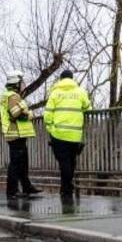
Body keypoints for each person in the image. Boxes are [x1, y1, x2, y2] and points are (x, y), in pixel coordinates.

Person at [44, 70, 91, 198]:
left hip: (59, 133)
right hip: (75, 134)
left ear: (61, 79)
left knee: (64, 162)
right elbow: (88, 107)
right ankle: (67, 187)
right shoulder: (80, 92)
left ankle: (66, 189)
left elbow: (47, 114)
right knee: (71, 161)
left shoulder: (55, 93)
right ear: (72, 78)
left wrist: (50, 128)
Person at [0, 71, 40, 198]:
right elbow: (15, 114)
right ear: (15, 83)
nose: (23, 85)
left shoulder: (10, 95)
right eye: (21, 82)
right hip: (15, 133)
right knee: (16, 163)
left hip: (16, 134)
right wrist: (30, 114)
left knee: (22, 162)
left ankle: (27, 187)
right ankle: (12, 191)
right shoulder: (13, 96)